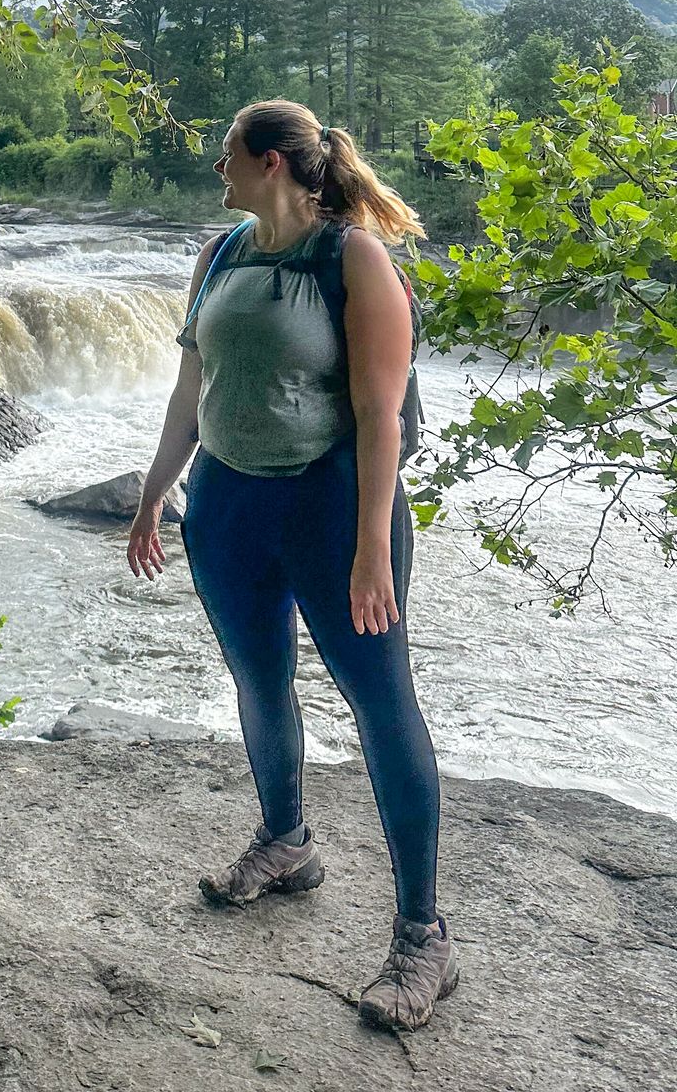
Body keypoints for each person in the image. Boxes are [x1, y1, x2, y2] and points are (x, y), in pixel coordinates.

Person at [126, 100, 459, 1035]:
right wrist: (155, 495)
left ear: (270, 162)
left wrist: (369, 550)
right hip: (229, 505)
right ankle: (286, 842)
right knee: (259, 682)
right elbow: (191, 392)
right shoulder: (222, 254)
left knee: (381, 704)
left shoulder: (353, 260)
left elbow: (382, 415)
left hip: (330, 505)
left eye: (225, 155)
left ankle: (423, 937)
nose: (216, 172)